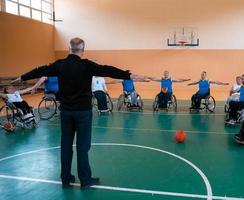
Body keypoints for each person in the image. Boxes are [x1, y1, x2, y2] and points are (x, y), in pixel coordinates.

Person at [12, 37, 145, 189]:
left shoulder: (60, 65)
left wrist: (22, 77)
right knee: (82, 147)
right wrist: (127, 75)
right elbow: (107, 69)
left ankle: (66, 179)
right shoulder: (87, 65)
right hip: (83, 113)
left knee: (65, 146)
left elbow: (40, 70)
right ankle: (85, 180)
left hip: (66, 112)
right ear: (82, 50)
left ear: (69, 49)